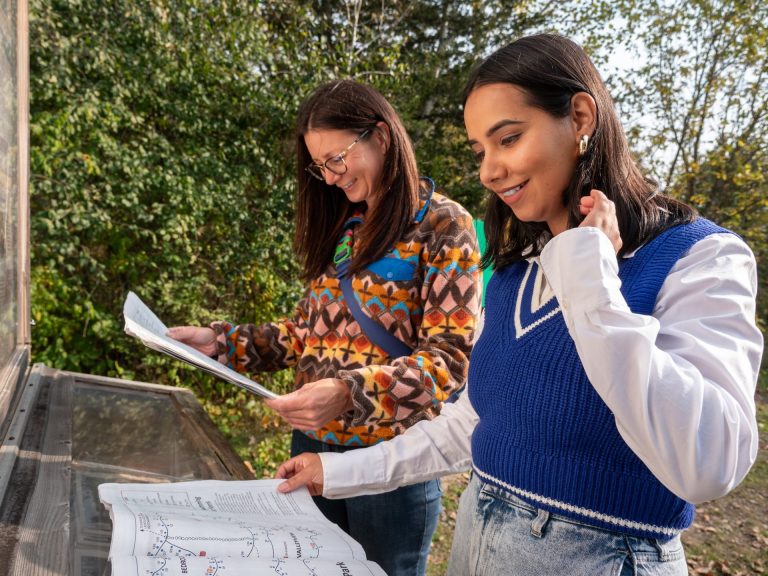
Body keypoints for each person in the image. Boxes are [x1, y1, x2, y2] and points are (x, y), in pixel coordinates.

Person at [274, 34, 763, 575]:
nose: (488, 171)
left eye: (508, 139)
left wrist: (591, 282)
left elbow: (709, 464)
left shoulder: (699, 257)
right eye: (480, 151)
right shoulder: (514, 270)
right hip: (477, 545)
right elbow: (475, 423)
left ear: (579, 116)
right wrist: (335, 472)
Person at [168, 79, 482, 576]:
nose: (330, 178)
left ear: (380, 137)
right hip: (313, 449)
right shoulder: (347, 228)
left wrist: (348, 392)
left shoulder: (444, 226)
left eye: (337, 159)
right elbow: (304, 335)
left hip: (391, 463)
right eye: (320, 166)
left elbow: (448, 362)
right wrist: (221, 342)